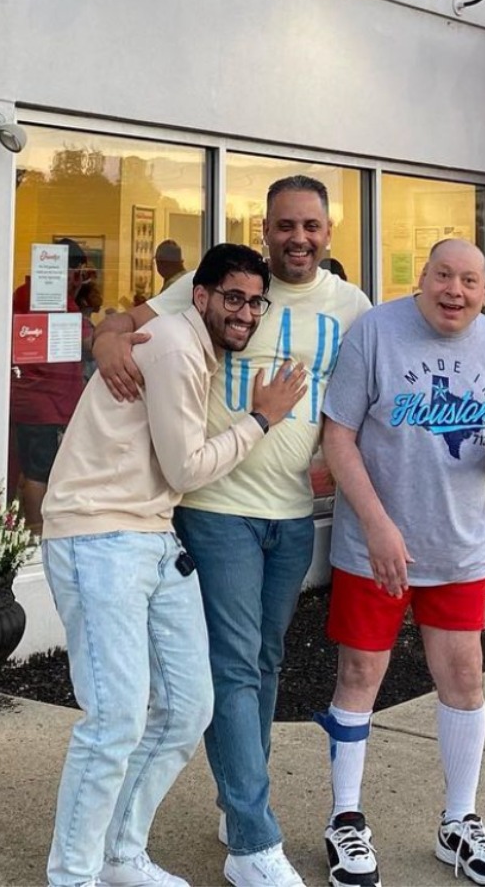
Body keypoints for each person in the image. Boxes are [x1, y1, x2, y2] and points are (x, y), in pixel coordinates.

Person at [95, 176, 371, 887]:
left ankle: (240, 804)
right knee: (234, 668)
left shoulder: (352, 306)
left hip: (292, 516)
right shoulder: (227, 287)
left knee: (266, 661)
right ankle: (253, 840)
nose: (298, 238)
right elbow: (123, 325)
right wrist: (105, 342)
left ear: (328, 232)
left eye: (310, 226)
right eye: (285, 225)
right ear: (265, 228)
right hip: (216, 508)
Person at [41, 244, 308, 887]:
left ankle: (119, 855)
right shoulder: (176, 348)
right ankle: (73, 876)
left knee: (188, 707)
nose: (245, 313)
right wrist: (262, 419)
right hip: (99, 535)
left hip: (154, 537)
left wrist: (109, 332)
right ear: (201, 295)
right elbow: (185, 468)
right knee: (115, 720)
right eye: (233, 298)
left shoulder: (190, 345)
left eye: (255, 302)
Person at [314, 239, 485, 887]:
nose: (453, 291)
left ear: (484, 290)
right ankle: (345, 819)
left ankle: (458, 822)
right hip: (374, 547)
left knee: (464, 678)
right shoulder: (375, 333)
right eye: (443, 275)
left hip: (458, 548)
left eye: (468, 280)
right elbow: (337, 436)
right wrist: (377, 524)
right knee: (359, 674)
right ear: (423, 277)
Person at [11, 240, 98, 531]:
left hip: (27, 397)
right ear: (68, 270)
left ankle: (25, 528)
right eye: (79, 273)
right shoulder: (56, 299)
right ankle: (37, 532)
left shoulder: (23, 294)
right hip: (47, 401)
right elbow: (87, 343)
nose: (80, 280)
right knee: (40, 473)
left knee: (28, 469)